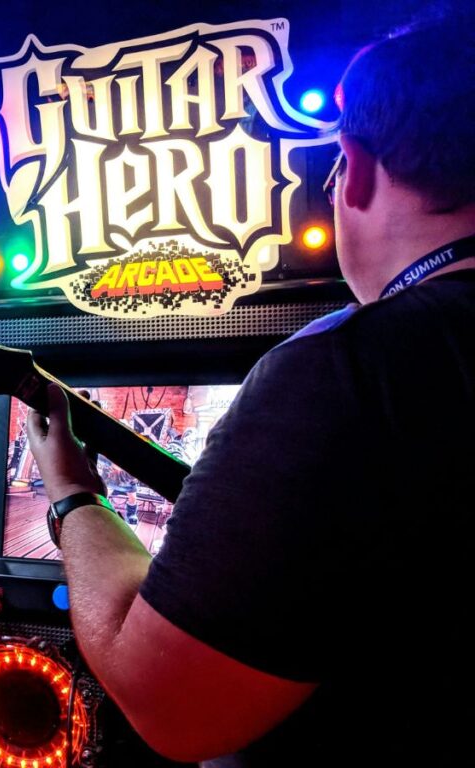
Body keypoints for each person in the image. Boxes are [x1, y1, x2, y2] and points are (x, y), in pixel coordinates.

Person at [26, 15, 475, 767]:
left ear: (355, 168)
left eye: (333, 173)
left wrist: (72, 491)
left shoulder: (352, 369)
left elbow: (168, 701)